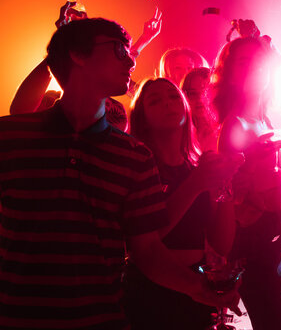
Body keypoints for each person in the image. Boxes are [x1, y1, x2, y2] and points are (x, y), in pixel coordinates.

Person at [0, 17, 237, 329]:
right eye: (119, 50)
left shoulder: (134, 156)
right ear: (78, 54)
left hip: (102, 319)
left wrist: (199, 288)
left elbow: (147, 250)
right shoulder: (11, 138)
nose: (130, 59)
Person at [125, 77, 242, 329]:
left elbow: (221, 243)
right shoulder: (138, 166)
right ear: (142, 118)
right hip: (151, 287)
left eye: (174, 97)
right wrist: (196, 184)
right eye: (155, 101)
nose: (168, 103)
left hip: (195, 283)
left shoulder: (196, 166)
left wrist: (226, 183)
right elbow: (146, 237)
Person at [212, 31, 281, 330]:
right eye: (243, 63)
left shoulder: (263, 119)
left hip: (275, 245)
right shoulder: (234, 124)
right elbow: (227, 195)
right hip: (253, 250)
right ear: (230, 74)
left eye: (258, 62)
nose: (252, 69)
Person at [10, 1, 162, 131]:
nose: (131, 63)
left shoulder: (119, 119)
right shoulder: (49, 102)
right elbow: (19, 112)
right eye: (119, 50)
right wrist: (65, 41)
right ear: (79, 54)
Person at [181, 67, 219, 152]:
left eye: (204, 92)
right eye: (193, 94)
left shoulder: (226, 129)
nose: (199, 99)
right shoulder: (181, 135)